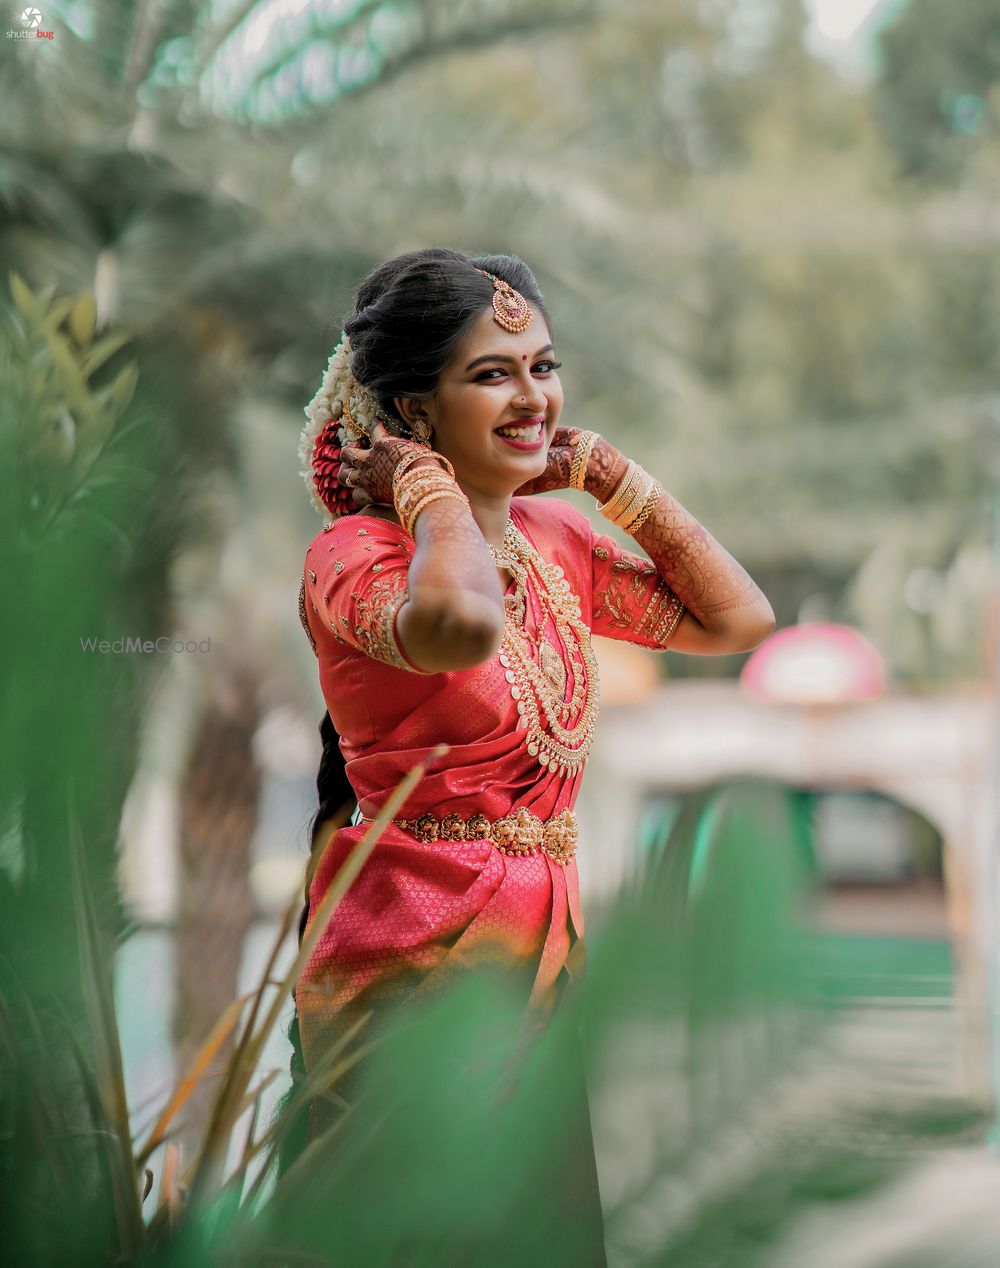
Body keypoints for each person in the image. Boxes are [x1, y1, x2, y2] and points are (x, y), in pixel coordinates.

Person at [288, 247, 775, 1258]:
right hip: (407, 981)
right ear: (414, 411)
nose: (530, 395)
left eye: (542, 365)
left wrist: (604, 472)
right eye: (491, 372)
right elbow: (460, 628)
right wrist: (426, 494)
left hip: (539, 965)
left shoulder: (557, 542)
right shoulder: (355, 556)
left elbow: (738, 619)